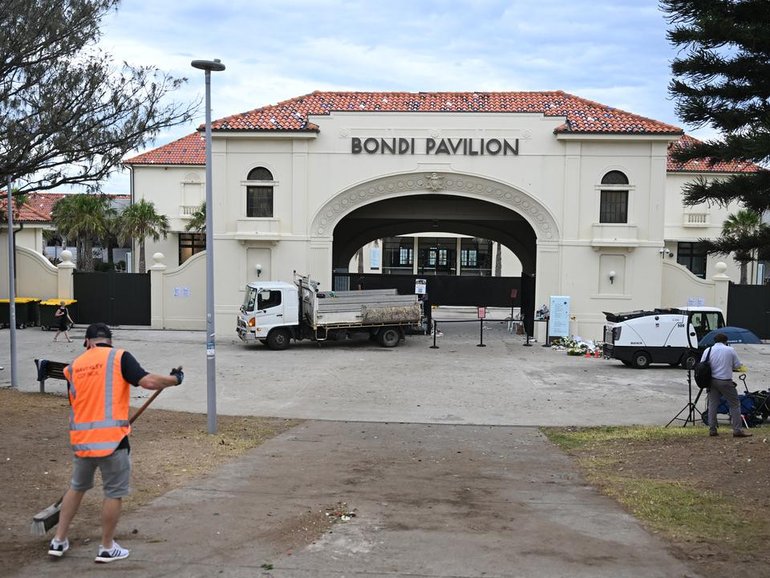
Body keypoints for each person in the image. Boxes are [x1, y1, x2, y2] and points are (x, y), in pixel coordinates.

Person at [48, 323, 184, 563]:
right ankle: (106, 547)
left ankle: (58, 540)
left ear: (88, 342)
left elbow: (77, 403)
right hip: (113, 441)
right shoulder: (119, 357)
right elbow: (148, 382)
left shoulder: (74, 367)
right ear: (109, 340)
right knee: (113, 493)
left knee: (77, 487)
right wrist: (174, 379)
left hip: (82, 441)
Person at [703, 332, 752, 438]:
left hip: (712, 381)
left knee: (712, 404)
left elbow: (703, 364)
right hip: (725, 381)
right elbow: (737, 365)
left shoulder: (708, 350)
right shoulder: (730, 350)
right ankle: (737, 430)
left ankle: (712, 429)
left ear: (715, 341)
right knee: (735, 404)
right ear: (726, 341)